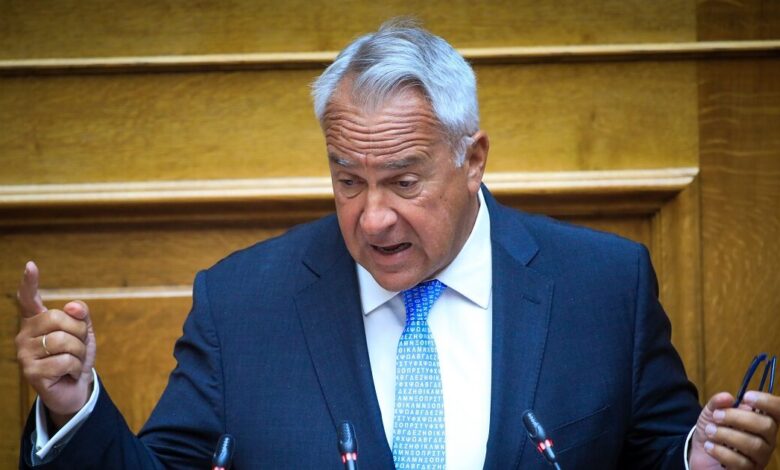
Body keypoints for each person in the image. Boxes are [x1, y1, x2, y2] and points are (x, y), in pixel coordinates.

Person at [14, 20, 780, 469]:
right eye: (348, 181)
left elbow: (655, 453)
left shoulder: (605, 284)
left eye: (404, 181)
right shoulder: (243, 304)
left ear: (473, 160)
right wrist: (74, 408)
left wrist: (696, 458)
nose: (373, 218)